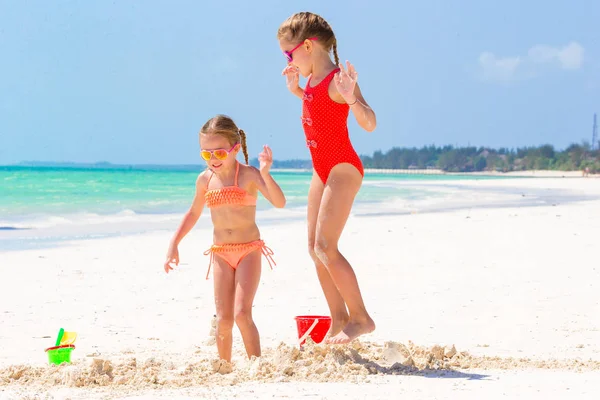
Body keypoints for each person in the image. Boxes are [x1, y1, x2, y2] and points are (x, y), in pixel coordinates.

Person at [277, 12, 376, 344]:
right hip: (322, 170)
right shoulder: (311, 83)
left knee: (325, 246)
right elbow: (318, 107)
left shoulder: (338, 80)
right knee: (313, 248)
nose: (287, 61)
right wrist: (296, 90)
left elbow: (369, 122)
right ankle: (338, 319)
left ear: (308, 45)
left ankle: (361, 318)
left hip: (343, 168)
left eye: (289, 54)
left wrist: (352, 98)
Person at [164, 114, 286, 361]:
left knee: (242, 314)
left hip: (248, 251)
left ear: (235, 149)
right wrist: (174, 243)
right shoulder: (205, 180)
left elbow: (279, 202)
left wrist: (265, 172)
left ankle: (256, 365)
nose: (213, 160)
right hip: (220, 253)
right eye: (206, 154)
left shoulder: (249, 175)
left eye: (219, 153)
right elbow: (194, 212)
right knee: (224, 319)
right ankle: (224, 366)